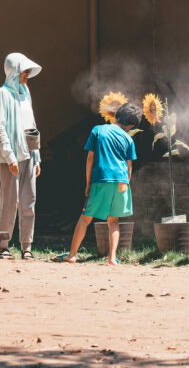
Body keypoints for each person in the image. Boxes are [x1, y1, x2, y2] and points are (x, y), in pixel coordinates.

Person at [57, 102, 141, 265]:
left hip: (102, 178)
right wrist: (125, 185)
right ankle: (112, 258)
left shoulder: (98, 130)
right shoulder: (129, 140)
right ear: (131, 125)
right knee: (114, 222)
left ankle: (72, 255)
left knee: (85, 218)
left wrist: (88, 183)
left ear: (117, 115)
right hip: (122, 182)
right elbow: (129, 167)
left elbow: (90, 159)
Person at [0, 52, 42, 260]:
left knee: (28, 201)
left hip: (28, 153)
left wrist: (37, 156)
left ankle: (27, 246)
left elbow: (31, 125)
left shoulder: (25, 92)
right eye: (25, 71)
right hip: (9, 157)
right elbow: (0, 127)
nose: (27, 75)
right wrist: (10, 156)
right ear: (15, 70)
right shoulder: (2, 94)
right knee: (9, 201)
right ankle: (3, 245)